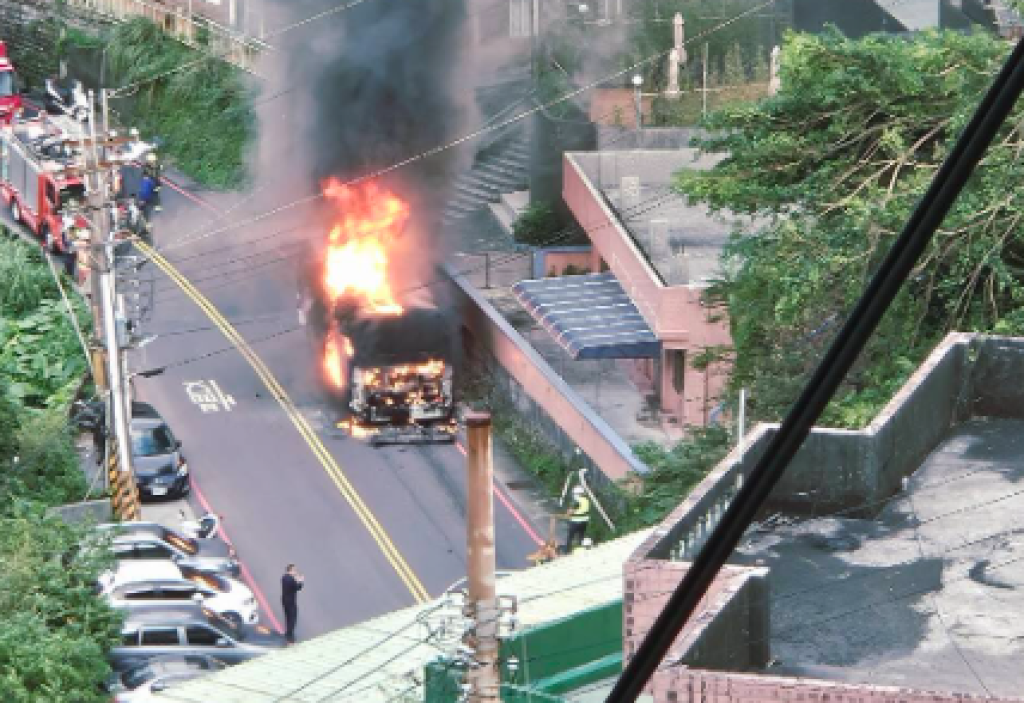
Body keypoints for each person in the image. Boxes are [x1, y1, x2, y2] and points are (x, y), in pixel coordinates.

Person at [281, 564, 304, 644]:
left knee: (287, 617)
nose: (296, 571)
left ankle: (287, 632)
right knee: (292, 618)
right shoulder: (291, 579)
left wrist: (295, 579)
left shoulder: (284, 577)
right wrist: (300, 581)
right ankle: (289, 635)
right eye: (294, 570)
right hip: (291, 601)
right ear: (291, 570)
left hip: (284, 600)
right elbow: (298, 587)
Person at [564, 485, 590, 552]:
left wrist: (567, 515)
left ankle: (567, 551)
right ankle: (581, 549)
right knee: (581, 536)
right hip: (584, 522)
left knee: (570, 537)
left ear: (577, 494)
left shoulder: (576, 501)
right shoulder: (586, 500)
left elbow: (570, 511)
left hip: (576, 522)